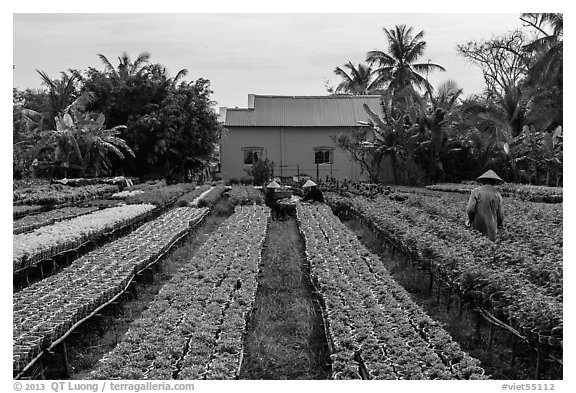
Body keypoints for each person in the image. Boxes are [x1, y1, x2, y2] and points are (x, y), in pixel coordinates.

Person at [466, 170, 505, 241]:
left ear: (483, 181)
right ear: (494, 182)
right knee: (489, 248)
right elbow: (501, 216)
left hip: (477, 227)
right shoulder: (498, 195)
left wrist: (470, 220)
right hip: (492, 231)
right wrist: (499, 226)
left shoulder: (476, 191)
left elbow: (470, 209)